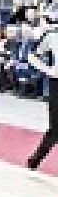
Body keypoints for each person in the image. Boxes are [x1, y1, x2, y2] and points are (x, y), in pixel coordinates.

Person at [30, 20, 58, 173]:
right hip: (56, 84)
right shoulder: (52, 36)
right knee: (55, 129)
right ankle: (35, 160)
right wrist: (48, 70)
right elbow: (32, 57)